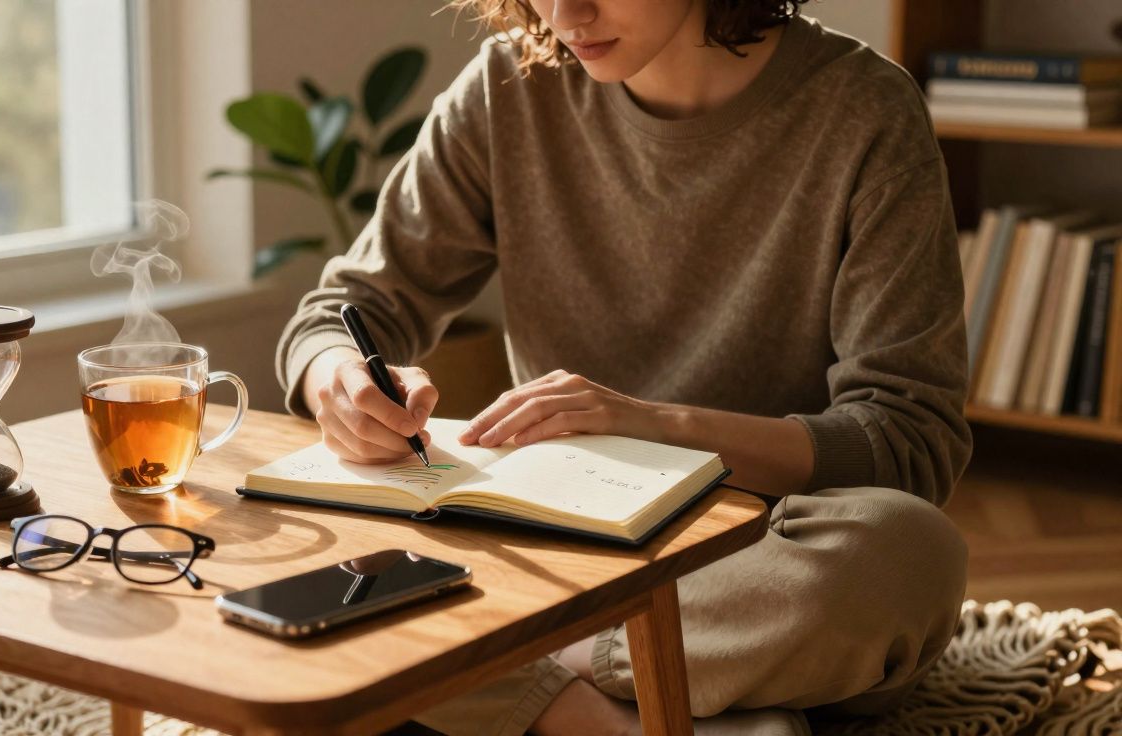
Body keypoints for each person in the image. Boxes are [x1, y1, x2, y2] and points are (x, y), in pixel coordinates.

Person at [274, 0, 970, 733]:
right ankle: (632, 713)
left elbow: (907, 439)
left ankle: (526, 673)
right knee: (284, 561)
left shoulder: (864, 111)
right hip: (558, 545)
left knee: (907, 557)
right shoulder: (508, 86)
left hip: (747, 560)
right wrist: (341, 381)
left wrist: (654, 426)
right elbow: (341, 311)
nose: (565, 13)